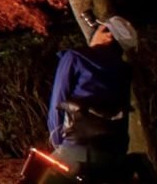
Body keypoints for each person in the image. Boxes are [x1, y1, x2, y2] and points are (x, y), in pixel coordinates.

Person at [38, 14, 147, 183]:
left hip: (77, 148)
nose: (94, 31)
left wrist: (60, 143)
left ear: (109, 36)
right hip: (112, 156)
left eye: (99, 28)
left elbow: (57, 104)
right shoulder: (124, 70)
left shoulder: (74, 57)